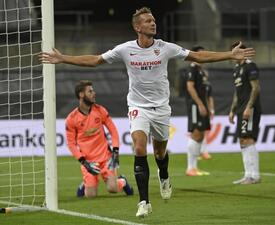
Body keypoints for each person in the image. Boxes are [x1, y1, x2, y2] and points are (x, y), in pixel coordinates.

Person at [39, 7, 255, 217]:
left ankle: (164, 175)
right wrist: (63, 58)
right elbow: (96, 60)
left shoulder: (165, 47)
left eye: (153, 20)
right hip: (138, 107)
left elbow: (198, 56)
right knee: (140, 148)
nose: (153, 23)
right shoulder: (125, 49)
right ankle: (144, 202)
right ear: (137, 27)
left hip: (161, 108)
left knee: (160, 153)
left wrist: (229, 54)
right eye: (148, 21)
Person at [65, 80, 134, 198]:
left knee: (112, 189)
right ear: (81, 95)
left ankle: (122, 181)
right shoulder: (72, 119)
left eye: (93, 91)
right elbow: (71, 144)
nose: (94, 93)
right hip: (88, 161)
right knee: (91, 196)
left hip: (106, 158)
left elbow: (113, 131)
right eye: (90, 91)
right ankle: (85, 185)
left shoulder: (100, 110)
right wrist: (84, 162)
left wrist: (115, 152)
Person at [228, 42, 261, 185]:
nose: (233, 55)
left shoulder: (250, 66)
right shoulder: (236, 70)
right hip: (241, 109)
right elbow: (237, 92)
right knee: (242, 140)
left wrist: (249, 107)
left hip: (250, 108)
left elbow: (256, 88)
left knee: (248, 139)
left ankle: (255, 176)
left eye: (235, 52)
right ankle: (248, 174)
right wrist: (232, 110)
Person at [184, 46, 214, 176]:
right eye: (200, 54)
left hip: (202, 106)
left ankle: (194, 167)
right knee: (196, 134)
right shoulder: (192, 68)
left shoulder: (201, 71)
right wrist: (200, 104)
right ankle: (190, 168)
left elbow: (207, 93)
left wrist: (208, 107)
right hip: (196, 106)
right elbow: (190, 87)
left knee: (201, 135)